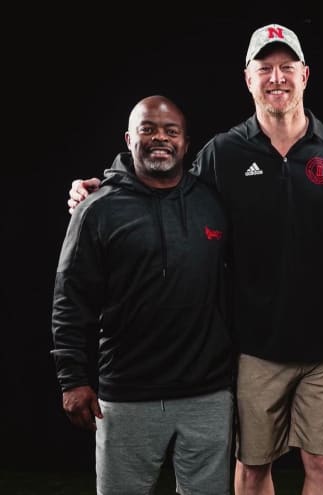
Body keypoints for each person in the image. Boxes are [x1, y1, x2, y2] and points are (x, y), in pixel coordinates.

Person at [66, 24, 323, 495]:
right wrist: (106, 184)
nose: (276, 78)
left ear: (305, 75)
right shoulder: (224, 152)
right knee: (252, 468)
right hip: (253, 346)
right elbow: (162, 179)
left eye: (286, 67)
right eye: (263, 68)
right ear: (247, 79)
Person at [52, 95, 234, 495]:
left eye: (171, 131)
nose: (160, 139)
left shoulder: (213, 201)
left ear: (186, 143)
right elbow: (70, 299)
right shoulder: (97, 208)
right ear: (129, 138)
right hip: (127, 393)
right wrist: (72, 379)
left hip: (208, 393)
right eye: (148, 129)